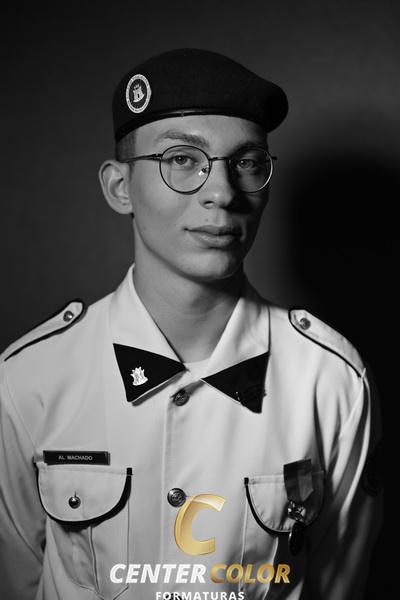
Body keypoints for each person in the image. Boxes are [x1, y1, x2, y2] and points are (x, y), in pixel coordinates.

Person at [0, 48, 382, 600]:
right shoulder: (28, 379)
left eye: (247, 162)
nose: (222, 193)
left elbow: (338, 583)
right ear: (120, 187)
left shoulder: (332, 381)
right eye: (182, 159)